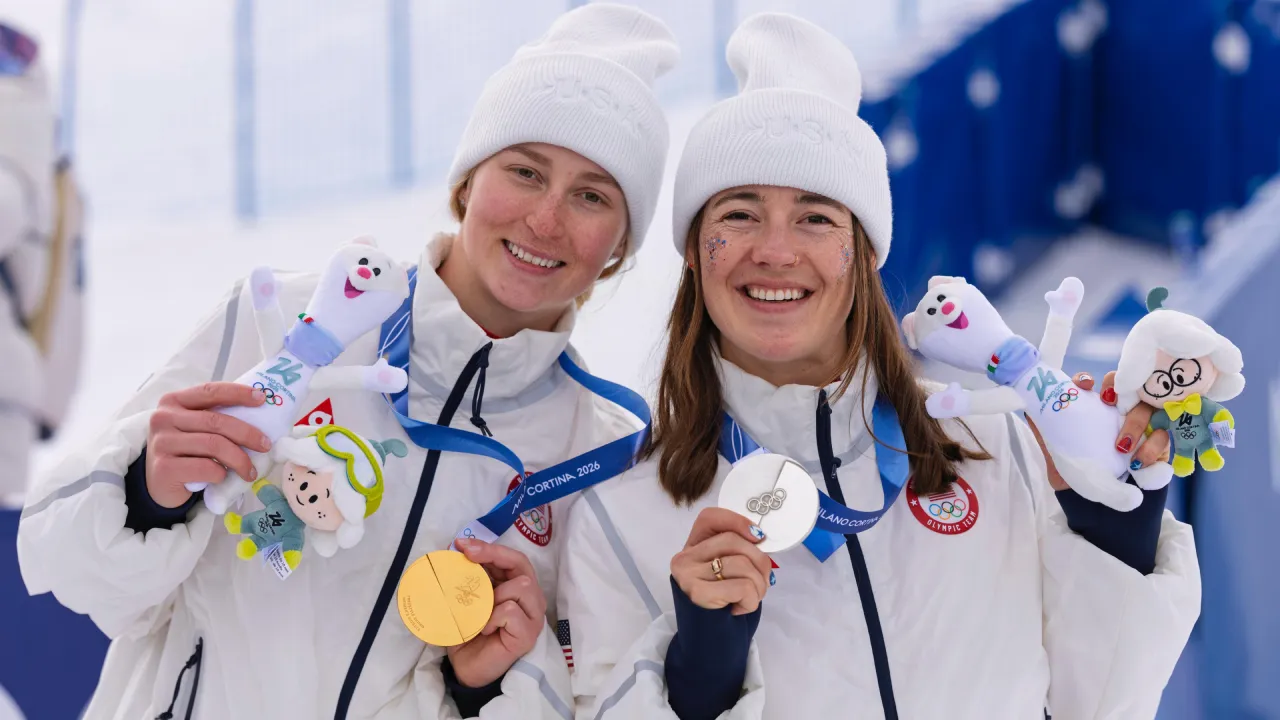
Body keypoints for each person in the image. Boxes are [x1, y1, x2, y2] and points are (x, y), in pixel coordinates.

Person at [17, 5, 677, 718]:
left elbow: (589, 700)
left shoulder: (604, 453)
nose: (546, 220)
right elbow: (72, 573)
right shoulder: (290, 320)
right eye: (524, 171)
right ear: (465, 185)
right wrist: (149, 490)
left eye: (591, 196)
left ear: (619, 248)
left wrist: (483, 686)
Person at [557, 13, 1200, 720]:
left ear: (864, 255)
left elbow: (1105, 702)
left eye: (816, 217)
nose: (775, 251)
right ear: (692, 251)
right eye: (738, 214)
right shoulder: (619, 519)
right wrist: (700, 675)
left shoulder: (1000, 445)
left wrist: (1117, 527)